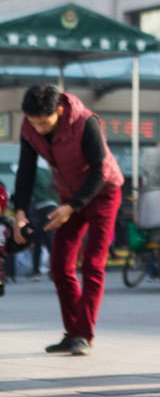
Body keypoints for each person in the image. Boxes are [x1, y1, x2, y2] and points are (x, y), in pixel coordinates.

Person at [13, 84, 124, 355]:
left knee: (93, 263)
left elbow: (100, 170)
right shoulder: (29, 129)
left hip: (103, 193)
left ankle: (84, 335)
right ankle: (73, 331)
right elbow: (25, 171)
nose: (38, 128)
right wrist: (19, 214)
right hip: (68, 199)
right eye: (33, 122)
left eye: (44, 122)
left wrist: (72, 206)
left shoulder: (86, 123)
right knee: (60, 266)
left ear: (59, 111)